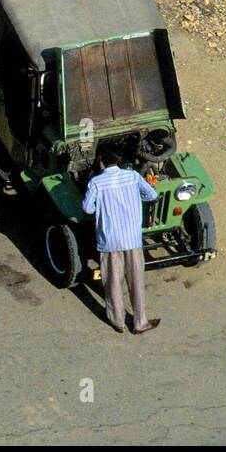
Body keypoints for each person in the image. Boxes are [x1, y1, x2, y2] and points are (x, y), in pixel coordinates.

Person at [83, 144, 161, 335]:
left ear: (101, 160)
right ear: (118, 159)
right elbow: (152, 194)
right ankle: (140, 322)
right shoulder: (133, 176)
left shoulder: (96, 183)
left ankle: (117, 320)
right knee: (136, 280)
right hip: (132, 238)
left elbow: (87, 208)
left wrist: (100, 210)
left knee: (112, 282)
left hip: (109, 241)